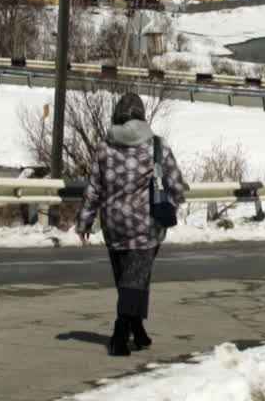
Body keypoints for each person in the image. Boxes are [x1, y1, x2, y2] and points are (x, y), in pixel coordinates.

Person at [77, 91, 184, 356]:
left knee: (128, 280)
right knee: (135, 281)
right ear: (142, 116)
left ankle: (138, 330)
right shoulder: (156, 146)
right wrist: (172, 201)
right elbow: (177, 185)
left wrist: (85, 222)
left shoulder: (104, 147)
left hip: (113, 226)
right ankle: (120, 335)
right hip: (145, 226)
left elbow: (93, 188)